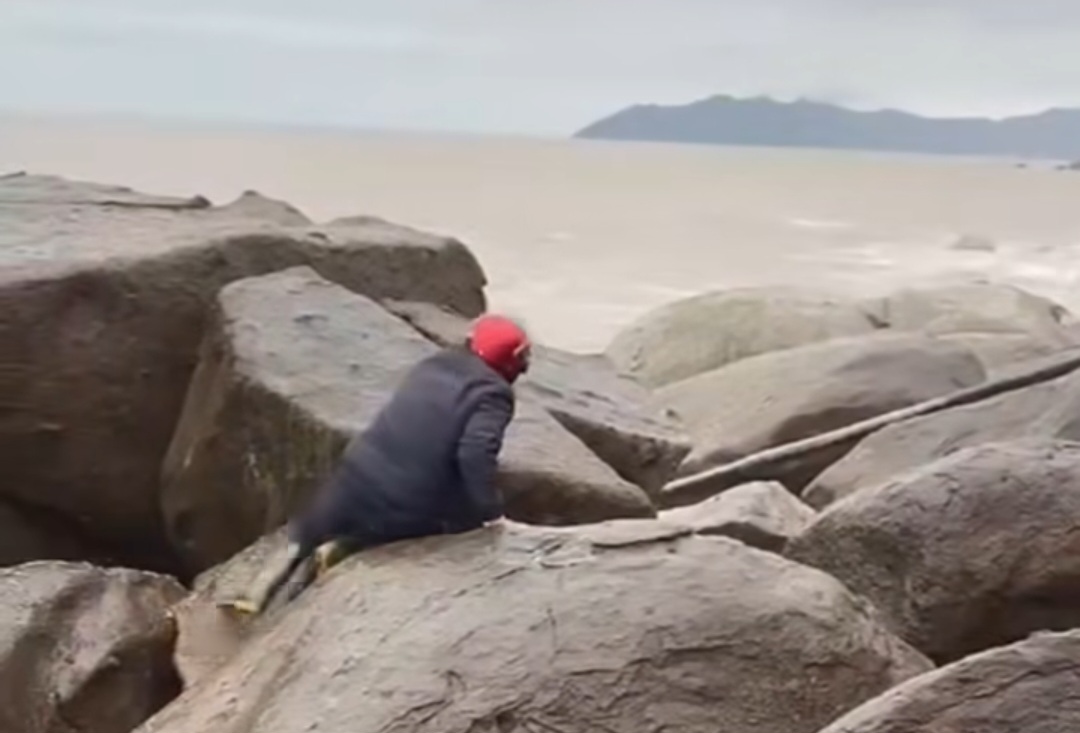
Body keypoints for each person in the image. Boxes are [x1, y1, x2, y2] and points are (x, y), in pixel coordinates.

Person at [224, 313, 531, 616]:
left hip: (356, 472)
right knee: (445, 527)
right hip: (407, 497)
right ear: (510, 362)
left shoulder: (433, 364)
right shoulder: (494, 394)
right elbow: (473, 454)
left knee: (308, 527)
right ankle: (345, 549)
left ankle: (256, 593)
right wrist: (490, 514)